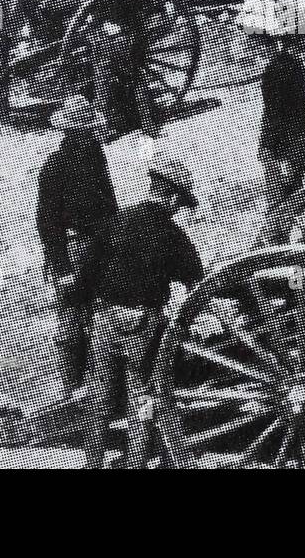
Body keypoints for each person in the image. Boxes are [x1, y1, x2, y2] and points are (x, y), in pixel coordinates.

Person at [78, 156, 204, 469]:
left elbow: (87, 273)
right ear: (172, 197)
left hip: (106, 319)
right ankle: (136, 463)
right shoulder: (172, 235)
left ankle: (92, 463)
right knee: (143, 399)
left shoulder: (116, 221)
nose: (178, 209)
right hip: (144, 325)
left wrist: (88, 313)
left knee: (99, 398)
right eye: (179, 203)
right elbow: (197, 283)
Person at [36, 94, 118, 392]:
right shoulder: (55, 166)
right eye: (81, 133)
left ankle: (100, 386)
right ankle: (71, 387)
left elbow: (109, 201)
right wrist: (61, 267)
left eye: (88, 133)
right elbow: (48, 223)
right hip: (73, 248)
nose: (87, 137)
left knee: (102, 316)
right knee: (71, 319)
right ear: (70, 134)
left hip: (99, 243)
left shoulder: (95, 155)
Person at [86, 0, 159, 137]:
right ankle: (148, 124)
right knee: (136, 79)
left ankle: (103, 129)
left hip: (107, 39)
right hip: (128, 38)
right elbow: (148, 10)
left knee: (102, 83)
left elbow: (95, 15)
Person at [258, 31, 305, 222]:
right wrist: (284, 152)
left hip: (277, 139)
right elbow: (286, 112)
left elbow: (271, 110)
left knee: (279, 198)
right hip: (287, 141)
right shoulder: (291, 69)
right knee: (286, 199)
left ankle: (278, 226)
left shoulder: (274, 67)